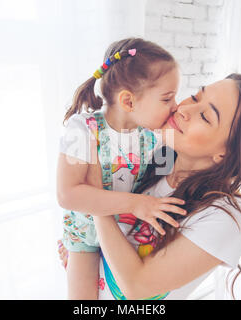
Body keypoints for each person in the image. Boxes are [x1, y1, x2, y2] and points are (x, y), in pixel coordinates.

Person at [58, 73, 241, 300]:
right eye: (196, 97)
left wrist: (96, 197)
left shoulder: (230, 214)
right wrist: (82, 250)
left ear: (226, 152)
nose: (184, 109)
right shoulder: (155, 160)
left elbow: (138, 287)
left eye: (206, 117)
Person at [57, 38, 189, 300]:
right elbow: (68, 195)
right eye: (167, 98)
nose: (175, 106)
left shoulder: (157, 136)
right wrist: (134, 204)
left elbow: (162, 184)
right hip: (85, 238)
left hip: (127, 239)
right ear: (128, 101)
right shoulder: (82, 130)